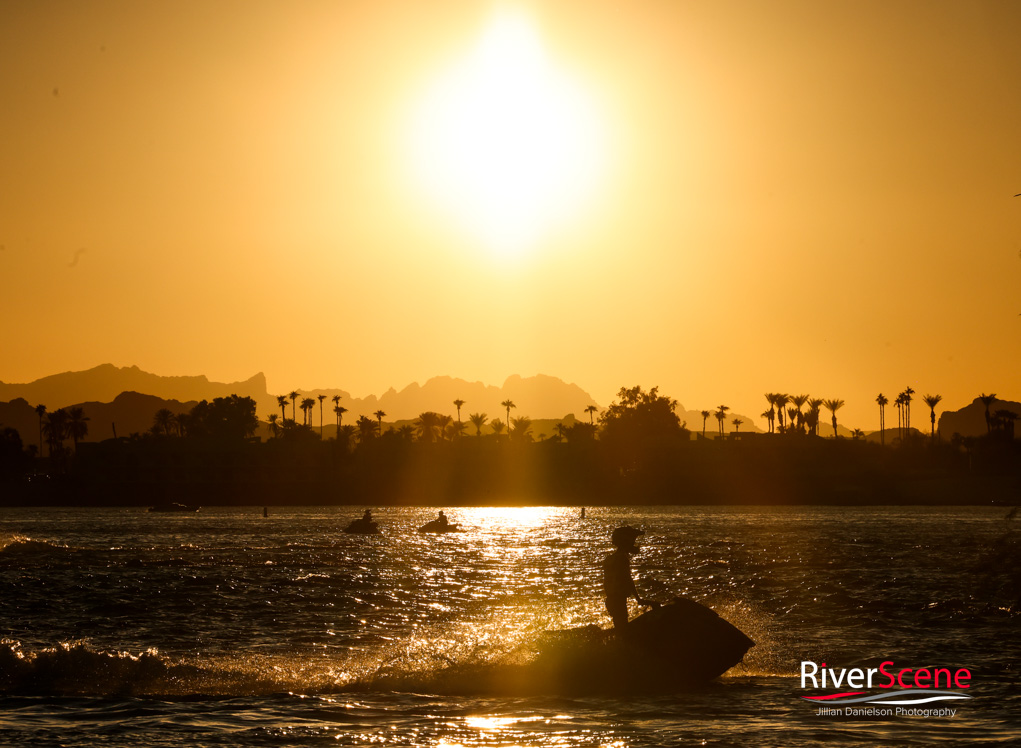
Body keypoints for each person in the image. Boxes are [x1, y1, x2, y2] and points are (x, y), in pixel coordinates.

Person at [602, 526, 657, 629]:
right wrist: (638, 598)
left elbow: (607, 582)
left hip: (612, 599)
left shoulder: (609, 559)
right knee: (622, 628)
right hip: (618, 600)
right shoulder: (622, 559)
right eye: (633, 540)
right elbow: (628, 579)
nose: (635, 544)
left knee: (619, 627)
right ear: (626, 542)